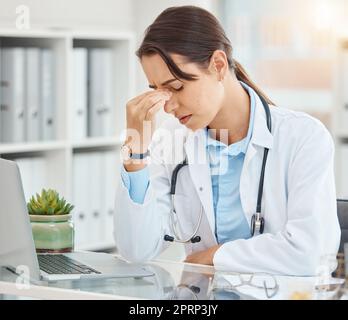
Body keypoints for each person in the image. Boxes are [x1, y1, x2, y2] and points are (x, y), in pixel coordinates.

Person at [114, 5, 340, 275]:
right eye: (157, 91)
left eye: (176, 87)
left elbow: (311, 253)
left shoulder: (303, 137)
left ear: (218, 65)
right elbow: (136, 251)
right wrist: (135, 153)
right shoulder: (171, 142)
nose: (167, 106)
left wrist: (217, 255)